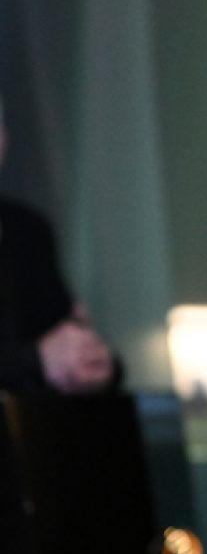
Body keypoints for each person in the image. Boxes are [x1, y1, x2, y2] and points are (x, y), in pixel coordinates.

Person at [0, 93, 115, 395]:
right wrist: (36, 360)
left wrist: (94, 359)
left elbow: (59, 333)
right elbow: (42, 357)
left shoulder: (25, 230)